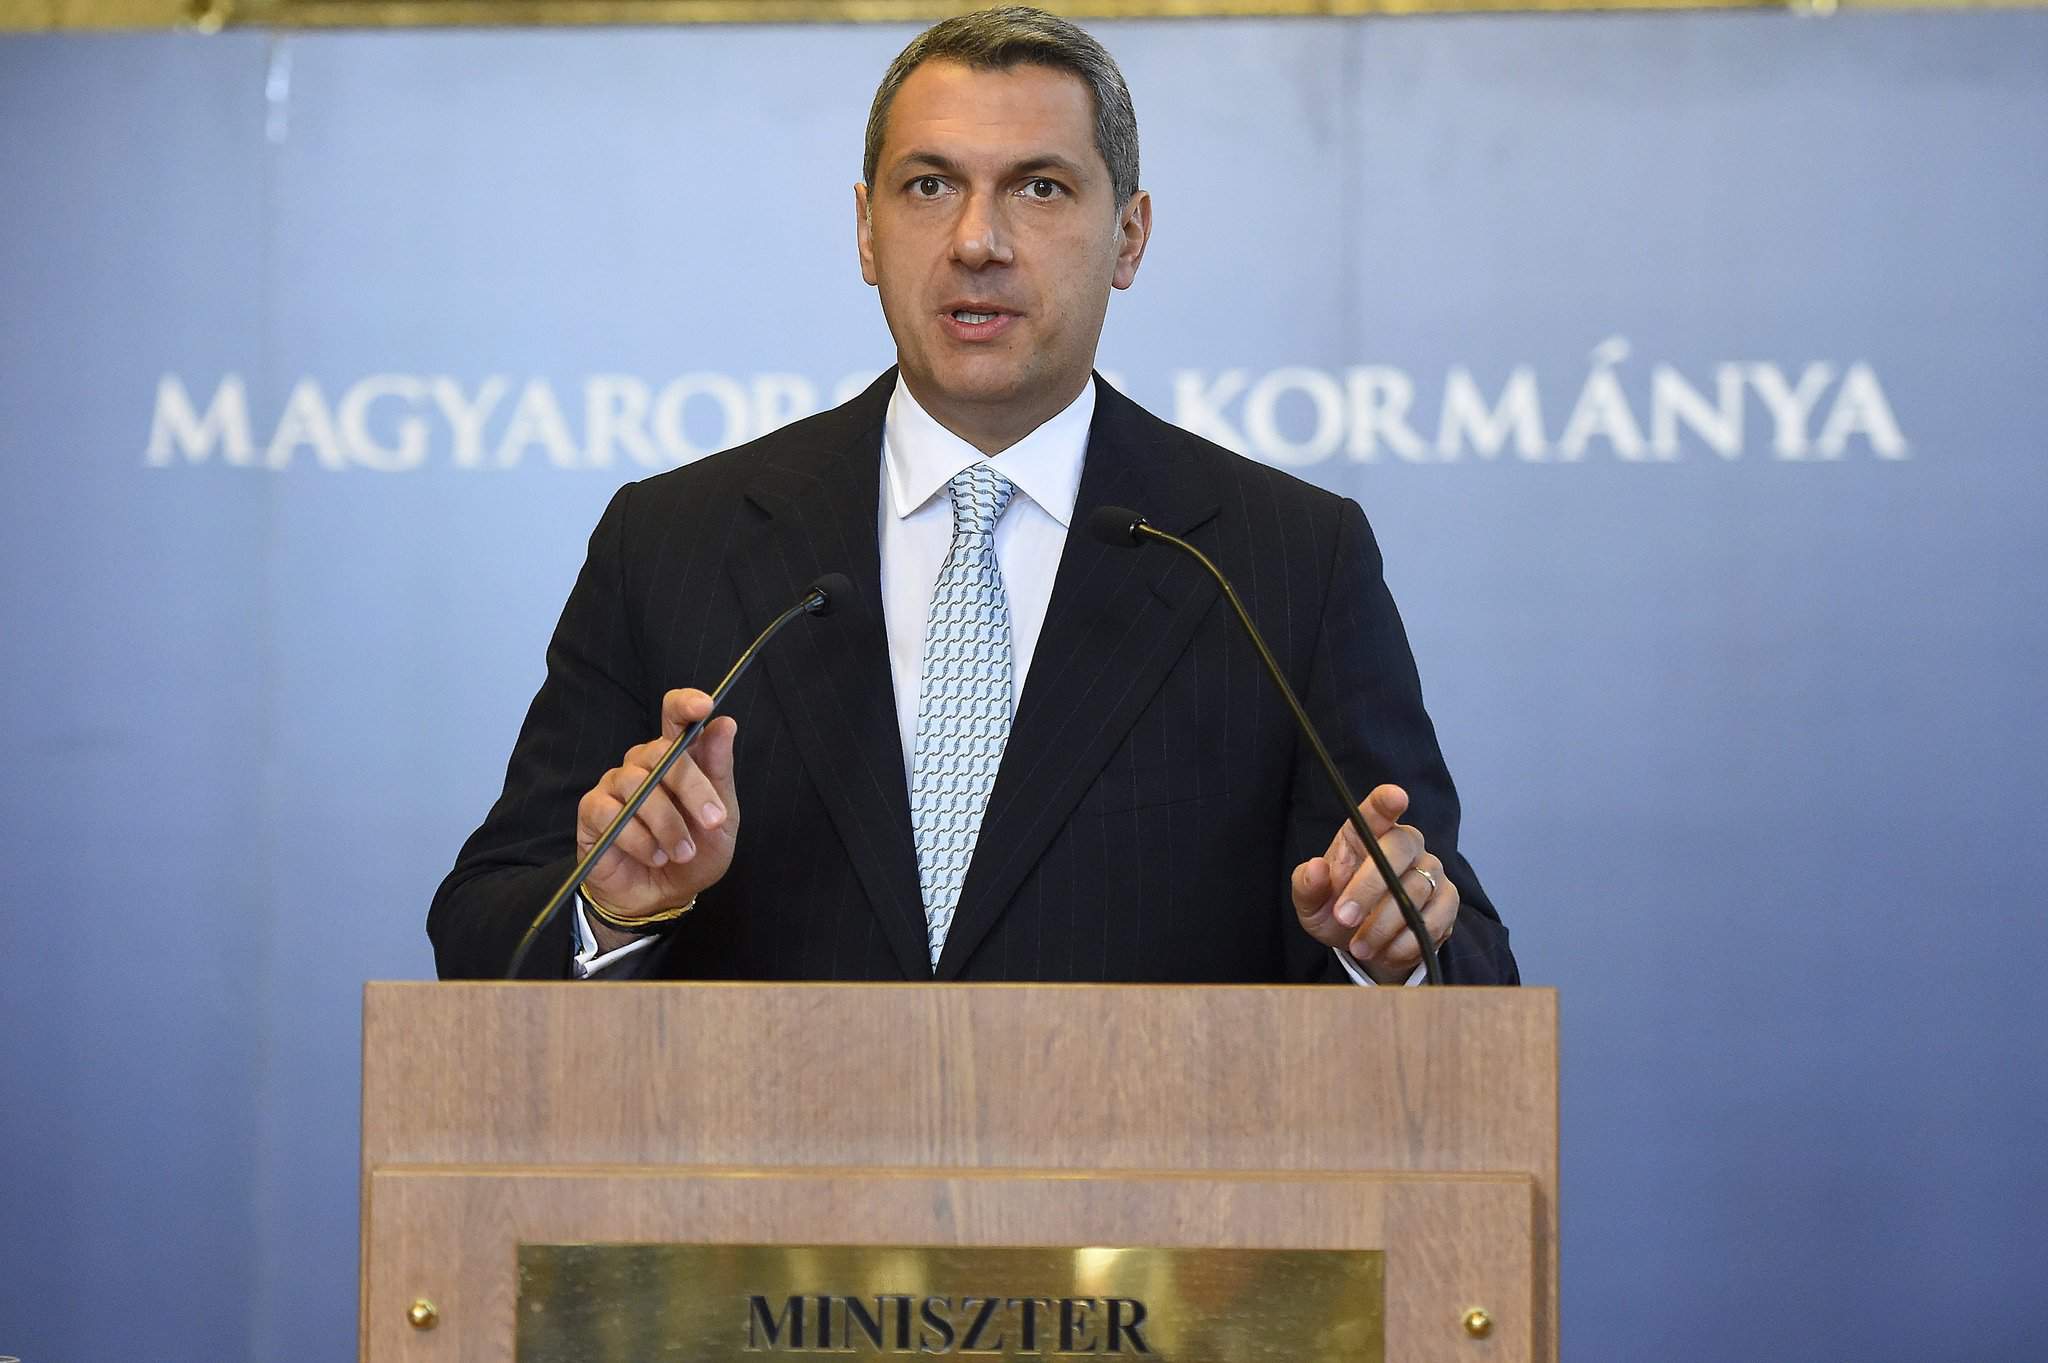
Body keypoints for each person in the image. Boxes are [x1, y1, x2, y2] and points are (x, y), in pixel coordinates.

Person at [429, 6, 1515, 987]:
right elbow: (484, 931)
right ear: (866, 231)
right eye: (929, 186)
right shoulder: (674, 541)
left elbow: (1461, 955)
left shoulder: (1282, 560)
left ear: (1129, 235)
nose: (976, 242)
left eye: (1039, 188)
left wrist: (1387, 946)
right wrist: (615, 909)